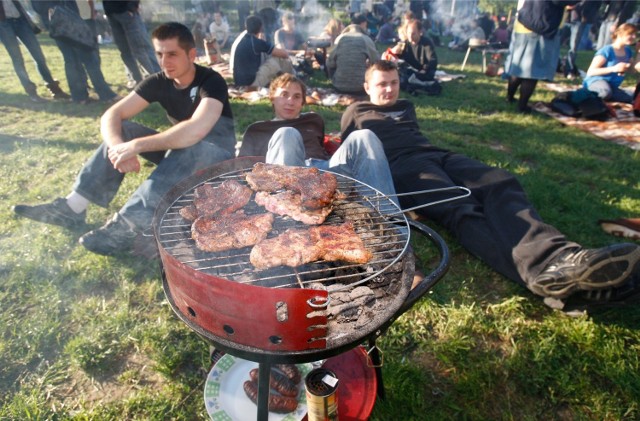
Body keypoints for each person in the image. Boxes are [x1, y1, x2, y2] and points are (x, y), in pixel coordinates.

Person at [341, 60, 640, 313]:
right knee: (459, 207)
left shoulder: (406, 106)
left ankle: (562, 257)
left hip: (436, 154)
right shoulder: (355, 111)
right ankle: (549, 273)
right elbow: (352, 155)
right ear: (367, 87)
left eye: (393, 82)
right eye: (382, 84)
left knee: (500, 181)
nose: (389, 89)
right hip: (404, 165)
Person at [13, 22, 236, 257]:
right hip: (180, 154)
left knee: (190, 147)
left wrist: (137, 146)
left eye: (172, 54)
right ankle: (73, 207)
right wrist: (119, 148)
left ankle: (126, 228)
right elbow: (112, 114)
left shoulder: (211, 81)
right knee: (124, 130)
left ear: (191, 54)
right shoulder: (159, 81)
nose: (164, 62)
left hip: (216, 158)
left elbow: (196, 130)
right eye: (159, 54)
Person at [237, 73, 397, 202]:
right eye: (284, 95)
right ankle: (285, 217)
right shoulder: (256, 129)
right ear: (272, 97)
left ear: (302, 102)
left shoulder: (314, 120)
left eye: (297, 97)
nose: (290, 101)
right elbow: (242, 169)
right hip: (288, 178)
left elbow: (322, 147)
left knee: (364, 135)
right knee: (287, 133)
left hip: (324, 174)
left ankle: (392, 226)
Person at [31, 0, 119, 104]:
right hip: (61, 20)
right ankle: (100, 95)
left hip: (67, 18)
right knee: (82, 58)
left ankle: (82, 96)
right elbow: (39, 6)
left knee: (78, 58)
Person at [504, 0, 579, 114]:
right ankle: (522, 106)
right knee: (533, 72)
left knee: (519, 68)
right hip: (539, 26)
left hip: (524, 24)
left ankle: (509, 97)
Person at [0, 0, 69, 101]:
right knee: (17, 58)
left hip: (20, 20)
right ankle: (31, 92)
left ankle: (54, 88)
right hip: (3, 23)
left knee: (38, 56)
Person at [102, 0, 161, 87]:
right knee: (125, 51)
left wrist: (132, 6)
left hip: (127, 11)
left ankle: (158, 79)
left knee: (141, 48)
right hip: (111, 13)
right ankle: (136, 80)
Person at [583, 23, 640, 103]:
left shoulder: (628, 51)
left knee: (630, 99)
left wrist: (638, 52)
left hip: (611, 85)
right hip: (596, 81)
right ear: (620, 33)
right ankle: (584, 95)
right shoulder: (607, 50)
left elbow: (632, 70)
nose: (634, 37)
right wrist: (614, 68)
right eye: (630, 34)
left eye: (635, 35)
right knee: (605, 93)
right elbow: (591, 71)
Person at [230, 15, 292, 88]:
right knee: (276, 61)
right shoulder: (255, 42)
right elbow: (284, 54)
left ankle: (285, 81)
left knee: (270, 59)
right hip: (250, 84)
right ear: (260, 28)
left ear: (246, 26)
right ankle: (291, 80)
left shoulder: (244, 38)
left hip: (240, 81)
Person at [326, 13, 379, 94]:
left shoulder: (340, 38)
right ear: (364, 23)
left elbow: (330, 63)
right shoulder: (366, 39)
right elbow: (377, 62)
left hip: (339, 86)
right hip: (361, 88)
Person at [389, 19, 438, 85]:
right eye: (409, 33)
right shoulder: (404, 43)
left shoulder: (427, 43)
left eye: (413, 34)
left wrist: (425, 69)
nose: (410, 36)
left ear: (420, 32)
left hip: (423, 71)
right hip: (410, 69)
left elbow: (433, 59)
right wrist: (394, 52)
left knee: (427, 74)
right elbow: (394, 56)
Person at [564, 0, 602, 79]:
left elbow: (589, 3)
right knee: (565, 45)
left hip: (580, 17)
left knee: (573, 46)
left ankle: (569, 69)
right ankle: (564, 67)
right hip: (570, 16)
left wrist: (573, 6)